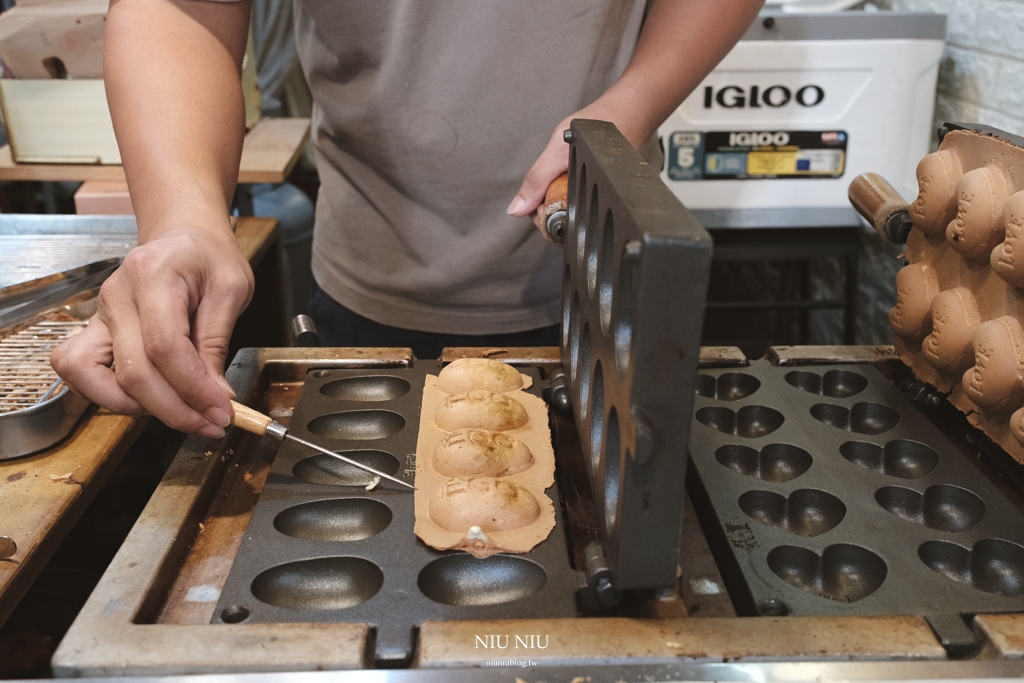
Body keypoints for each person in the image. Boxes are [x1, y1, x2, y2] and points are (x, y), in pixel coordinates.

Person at [52, 0, 763, 439]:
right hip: (370, 273)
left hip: (601, 269)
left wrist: (632, 104)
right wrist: (184, 218)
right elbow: (180, 8)